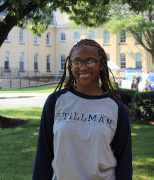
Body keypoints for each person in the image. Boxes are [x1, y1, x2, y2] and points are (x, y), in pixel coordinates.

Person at [32, 39, 132, 180]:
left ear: (102, 64)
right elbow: (43, 155)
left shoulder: (115, 108)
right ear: (70, 66)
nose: (82, 67)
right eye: (77, 62)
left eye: (90, 61)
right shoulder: (56, 102)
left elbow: (124, 163)